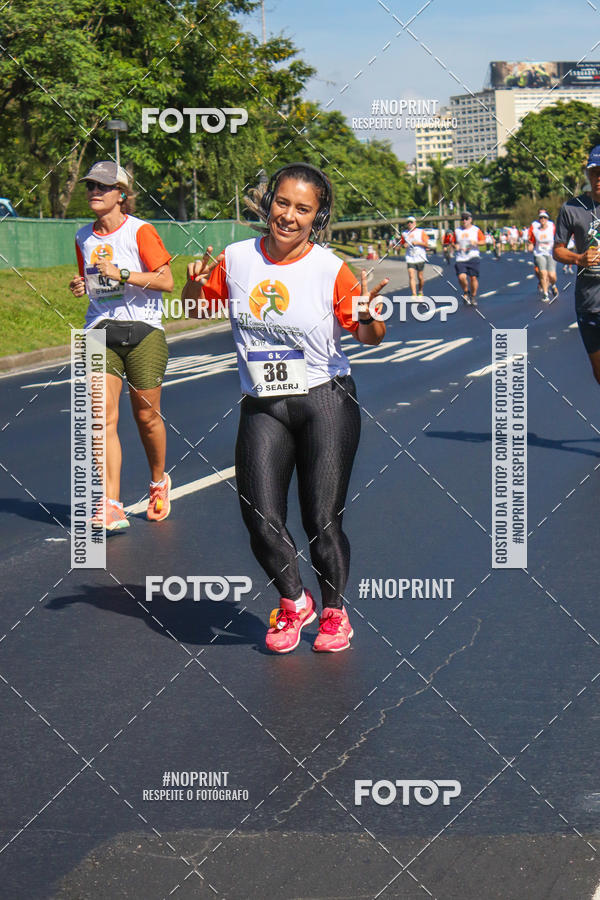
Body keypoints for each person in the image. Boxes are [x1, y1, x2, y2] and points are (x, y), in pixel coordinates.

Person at [182, 162, 388, 653]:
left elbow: (369, 336)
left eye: (303, 209)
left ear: (317, 217)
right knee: (259, 516)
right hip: (263, 403)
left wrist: (367, 317)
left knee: (321, 519)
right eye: (282, 203)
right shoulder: (236, 259)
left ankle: (335, 613)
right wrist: (193, 284)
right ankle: (294, 603)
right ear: (268, 201)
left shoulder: (330, 269)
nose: (288, 216)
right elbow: (196, 309)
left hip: (325, 401)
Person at [68, 161, 174, 530]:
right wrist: (83, 285)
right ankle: (110, 502)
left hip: (143, 330)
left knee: (146, 417)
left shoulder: (140, 231)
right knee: (100, 418)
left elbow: (167, 281)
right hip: (100, 329)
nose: (94, 192)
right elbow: (92, 281)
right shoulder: (84, 236)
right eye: (90, 186)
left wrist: (122, 273)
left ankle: (158, 482)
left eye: (103, 187)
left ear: (121, 195)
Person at [555, 145, 600, 385]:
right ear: (587, 175)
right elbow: (558, 250)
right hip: (588, 302)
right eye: (594, 172)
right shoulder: (572, 209)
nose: (599, 178)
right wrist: (578, 259)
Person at [454, 211, 485, 306]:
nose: (464, 220)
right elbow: (454, 242)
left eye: (466, 218)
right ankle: (466, 291)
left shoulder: (476, 230)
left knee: (473, 278)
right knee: (461, 277)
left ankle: (473, 296)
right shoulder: (457, 231)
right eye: (462, 219)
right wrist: (456, 246)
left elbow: (483, 241)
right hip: (461, 257)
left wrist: (475, 242)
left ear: (470, 219)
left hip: (473, 256)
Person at [528, 209, 558, 302]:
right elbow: (532, 240)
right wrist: (530, 245)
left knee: (551, 275)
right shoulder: (535, 229)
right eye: (541, 218)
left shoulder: (551, 227)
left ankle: (553, 285)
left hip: (550, 253)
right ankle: (545, 294)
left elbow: (557, 237)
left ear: (547, 219)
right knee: (543, 273)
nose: (543, 219)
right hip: (539, 253)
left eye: (544, 217)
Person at [400, 215, 429, 294]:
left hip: (420, 257)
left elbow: (427, 244)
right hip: (410, 258)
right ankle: (414, 294)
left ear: (415, 223)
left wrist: (417, 243)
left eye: (411, 222)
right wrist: (404, 245)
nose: (409, 224)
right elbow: (402, 244)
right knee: (411, 276)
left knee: (420, 277)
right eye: (408, 222)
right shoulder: (404, 233)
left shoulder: (421, 232)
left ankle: (420, 290)